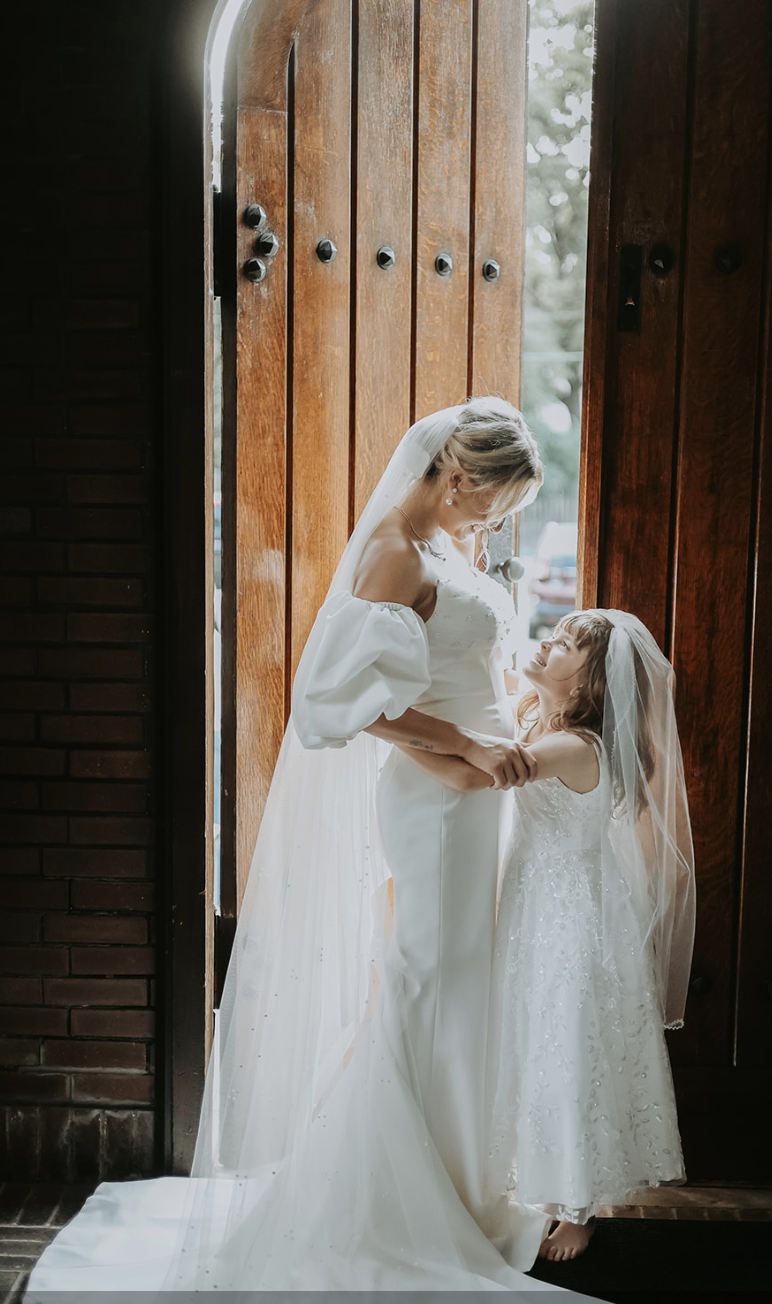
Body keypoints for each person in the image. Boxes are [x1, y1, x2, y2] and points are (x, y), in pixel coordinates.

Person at [26, 400, 573, 1296]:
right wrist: (467, 749)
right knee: (432, 979)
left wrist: (507, 722)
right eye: (494, 505)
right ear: (461, 476)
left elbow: (452, 662)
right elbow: (343, 704)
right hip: (439, 799)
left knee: (463, 978)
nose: (495, 522)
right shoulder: (395, 548)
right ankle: (398, 1198)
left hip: (479, 794)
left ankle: (458, 1177)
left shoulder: (441, 545)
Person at [401, 610, 695, 1265]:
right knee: (537, 1037)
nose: (546, 642)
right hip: (537, 901)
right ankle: (535, 1181)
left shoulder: (577, 745)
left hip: (575, 916)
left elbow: (477, 775)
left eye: (562, 644)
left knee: (569, 1043)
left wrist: (391, 731)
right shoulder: (541, 712)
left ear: (590, 682)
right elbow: (487, 696)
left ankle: (578, 1209)